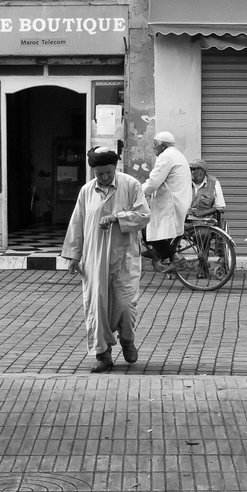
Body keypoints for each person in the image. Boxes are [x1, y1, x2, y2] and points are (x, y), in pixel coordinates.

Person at [62, 147, 151, 372]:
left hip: (124, 258)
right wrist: (74, 255)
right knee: (97, 306)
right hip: (94, 259)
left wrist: (117, 218)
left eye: (108, 173)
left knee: (125, 304)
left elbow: (143, 216)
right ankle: (103, 354)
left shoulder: (131, 185)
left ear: (115, 168)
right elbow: (77, 224)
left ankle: (127, 340)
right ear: (93, 171)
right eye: (99, 173)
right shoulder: (86, 191)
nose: (104, 177)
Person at [141, 130, 192, 268]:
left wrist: (139, 192)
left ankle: (175, 257)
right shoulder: (177, 155)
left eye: (155, 145)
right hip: (178, 200)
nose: (153, 149)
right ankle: (158, 253)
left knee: (149, 229)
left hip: (171, 203)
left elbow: (153, 182)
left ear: (162, 146)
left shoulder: (165, 157)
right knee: (154, 231)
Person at [188, 158, 227, 224]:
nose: (191, 171)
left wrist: (203, 212)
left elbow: (220, 206)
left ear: (202, 171)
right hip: (187, 220)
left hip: (206, 222)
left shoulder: (213, 183)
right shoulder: (185, 182)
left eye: (193, 169)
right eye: (190, 169)